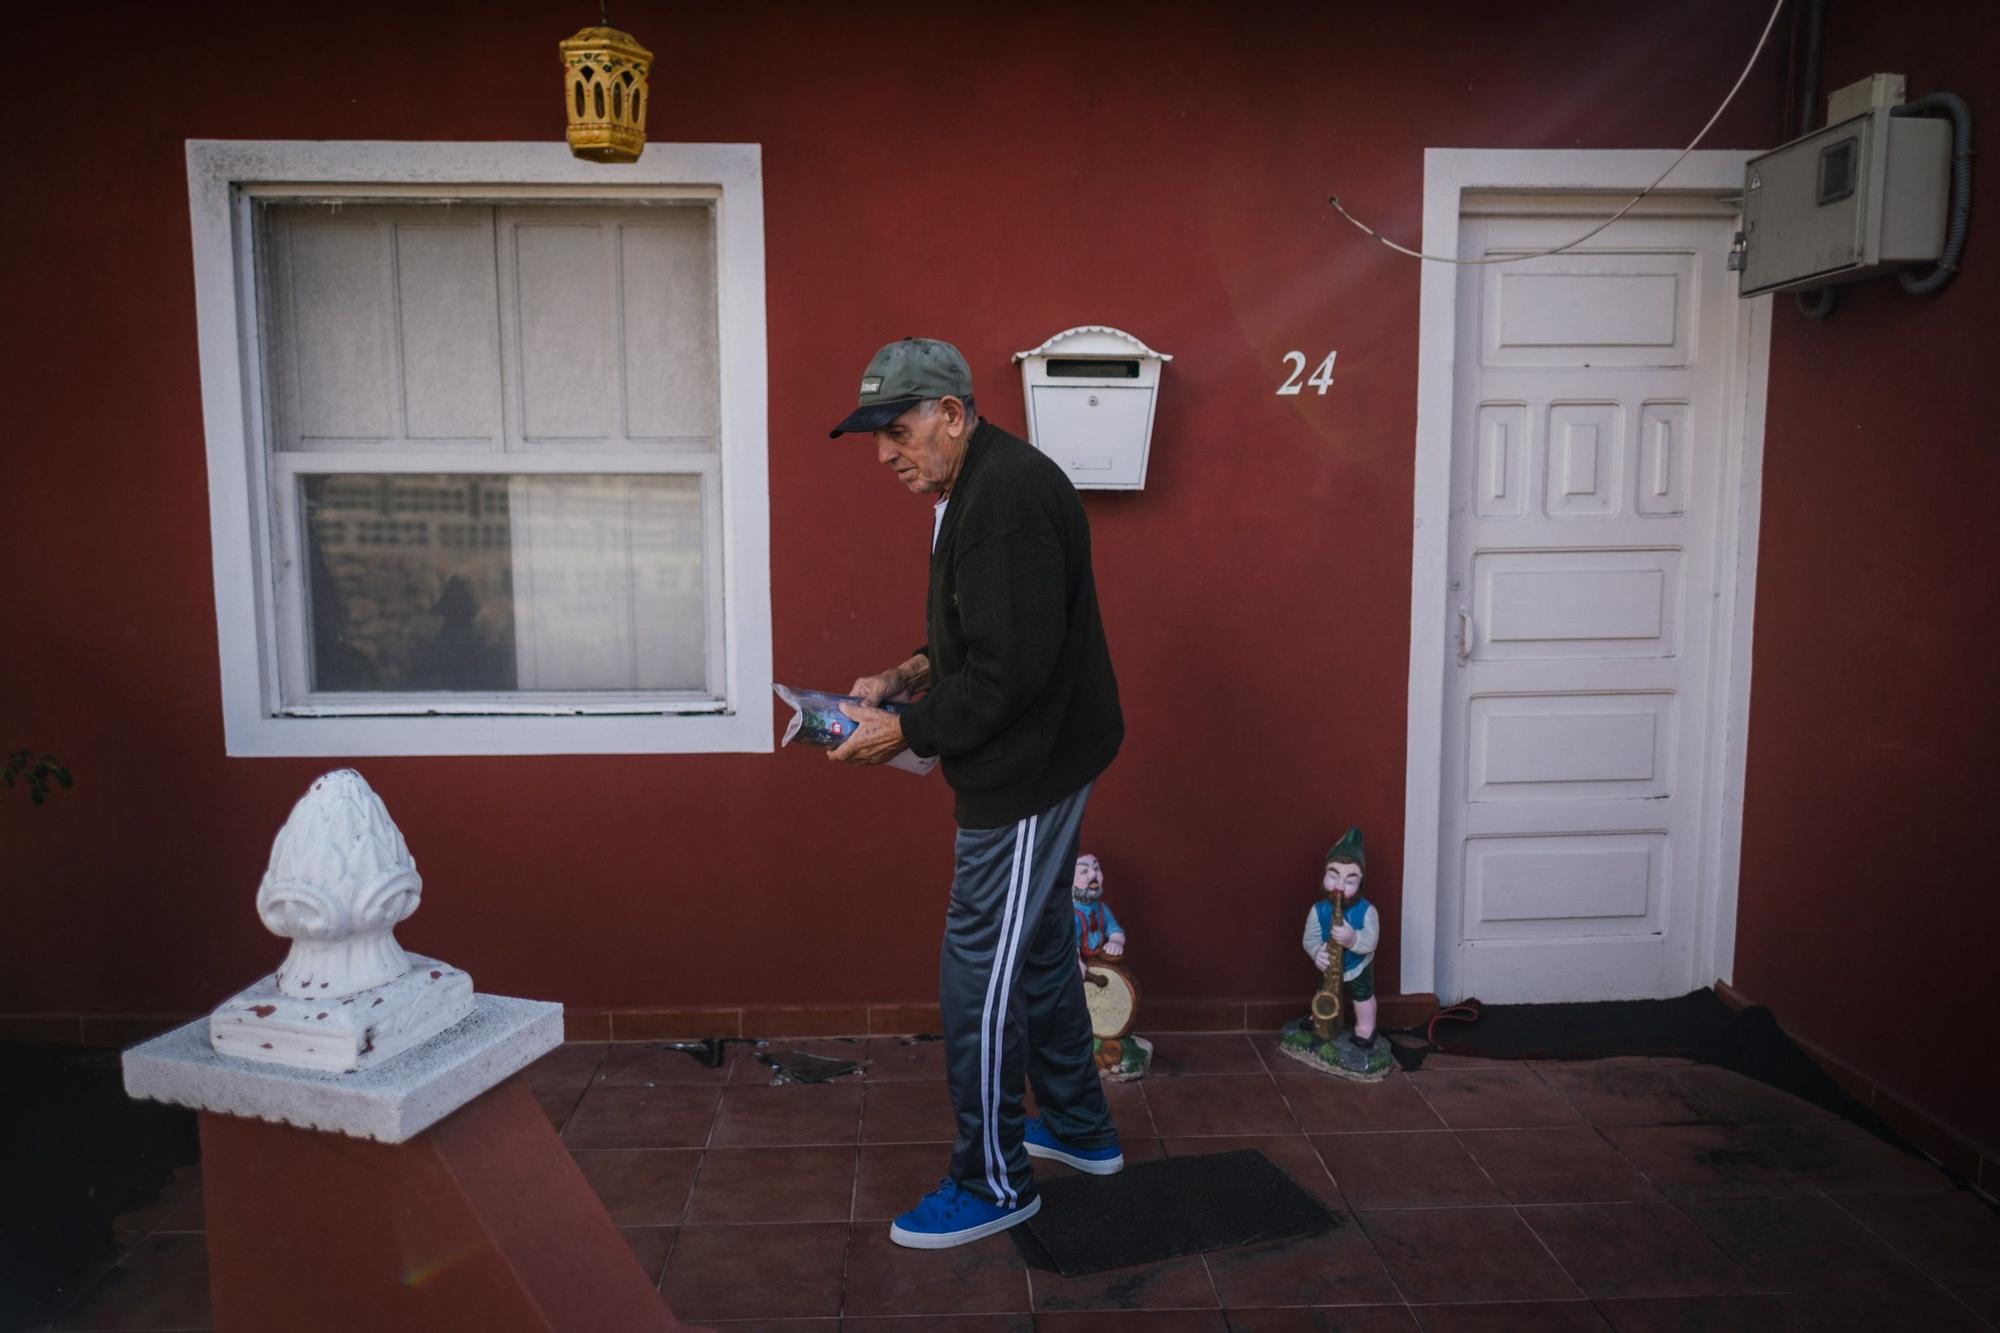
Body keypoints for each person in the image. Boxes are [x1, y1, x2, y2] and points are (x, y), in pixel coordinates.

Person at [827, 337, 1125, 1249]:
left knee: (978, 965)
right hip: (1039, 754)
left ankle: (993, 1181)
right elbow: (985, 636)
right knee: (1033, 946)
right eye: (877, 434)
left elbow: (1011, 673)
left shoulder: (1003, 500)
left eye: (898, 429)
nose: (885, 453)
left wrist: (904, 731)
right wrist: (906, 675)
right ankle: (1079, 1125)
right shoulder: (978, 484)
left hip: (1025, 769)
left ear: (952, 414)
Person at [1302, 827, 1381, 1058]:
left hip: (1357, 966)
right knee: (1322, 991)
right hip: (1328, 965)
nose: (1339, 886)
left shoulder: (1367, 911)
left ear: (1360, 882)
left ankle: (1366, 1026)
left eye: (1349, 881)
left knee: (1362, 996)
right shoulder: (1318, 910)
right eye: (1333, 876)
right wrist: (1317, 952)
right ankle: (1320, 1016)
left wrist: (1353, 938)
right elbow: (1310, 938)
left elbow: (1371, 941)